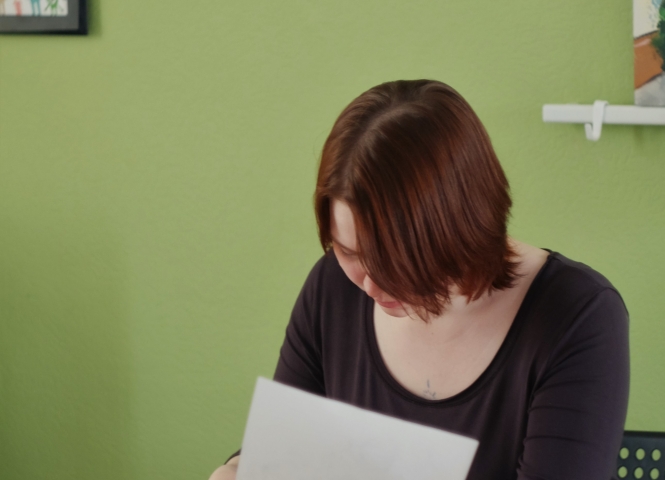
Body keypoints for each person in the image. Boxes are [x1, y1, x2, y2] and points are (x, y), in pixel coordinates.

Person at [209, 80, 629, 480]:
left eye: (394, 263)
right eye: (349, 251)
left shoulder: (577, 317)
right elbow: (283, 452)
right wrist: (235, 469)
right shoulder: (332, 290)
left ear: (460, 229)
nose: (370, 286)